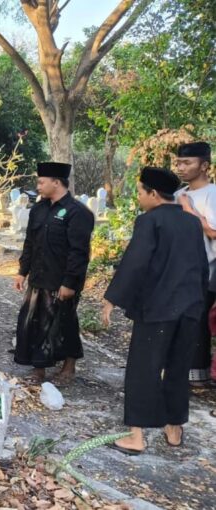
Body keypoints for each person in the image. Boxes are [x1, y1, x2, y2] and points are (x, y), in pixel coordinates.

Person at [101, 167, 208, 455]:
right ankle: (173, 430)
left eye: (139, 192)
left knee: (143, 370)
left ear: (153, 194)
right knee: (177, 369)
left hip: (158, 310)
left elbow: (136, 262)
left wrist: (112, 298)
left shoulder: (150, 221)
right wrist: (197, 304)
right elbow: (201, 266)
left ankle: (136, 437)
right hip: (189, 309)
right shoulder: (191, 223)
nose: (138, 198)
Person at [14, 162, 95, 384]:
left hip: (62, 280)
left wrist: (69, 283)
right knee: (32, 321)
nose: (37, 186)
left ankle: (69, 367)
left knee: (64, 322)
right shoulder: (38, 209)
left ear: (56, 183)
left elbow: (79, 252)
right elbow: (30, 242)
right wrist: (23, 271)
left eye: (41, 182)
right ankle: (38, 368)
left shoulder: (77, 212)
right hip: (39, 276)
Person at [174, 141, 215, 384]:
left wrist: (189, 210)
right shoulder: (178, 193)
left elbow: (212, 232)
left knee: (198, 322)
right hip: (178, 270)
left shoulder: (212, 194)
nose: (181, 167)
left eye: (187, 163)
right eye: (179, 162)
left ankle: (198, 374)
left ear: (205, 165)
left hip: (206, 272)